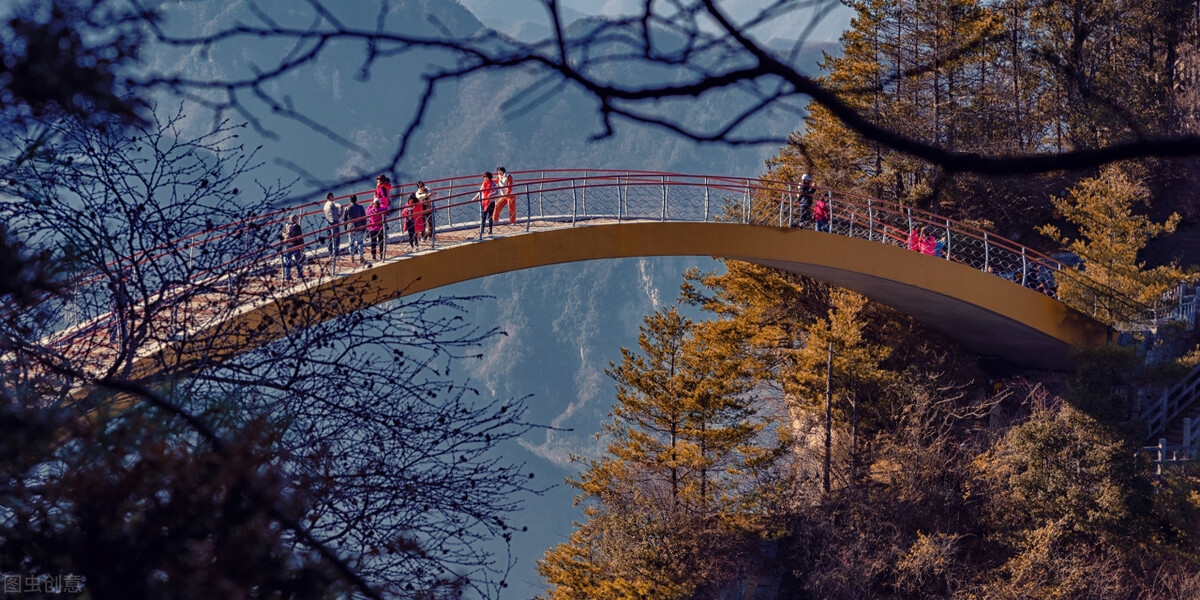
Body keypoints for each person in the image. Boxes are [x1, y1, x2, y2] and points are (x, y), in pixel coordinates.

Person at [282, 214, 307, 280]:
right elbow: (299, 237)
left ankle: (287, 275)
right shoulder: (297, 226)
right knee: (299, 260)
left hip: (287, 245)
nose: (298, 220)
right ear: (295, 219)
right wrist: (302, 245)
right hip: (294, 245)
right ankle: (300, 274)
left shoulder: (286, 225)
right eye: (297, 219)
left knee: (288, 260)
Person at [342, 194, 367, 263]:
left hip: (350, 228)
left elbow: (345, 219)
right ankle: (361, 257)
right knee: (360, 243)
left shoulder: (347, 208)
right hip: (359, 226)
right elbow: (364, 218)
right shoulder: (361, 207)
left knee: (351, 243)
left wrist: (345, 228)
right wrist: (365, 226)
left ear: (350, 200)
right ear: (356, 199)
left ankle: (352, 257)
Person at [375, 174, 392, 255]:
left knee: (381, 221)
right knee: (383, 220)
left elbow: (384, 196)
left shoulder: (381, 188)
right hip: (384, 206)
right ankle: (384, 234)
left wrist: (378, 201)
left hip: (381, 207)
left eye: (378, 180)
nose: (377, 181)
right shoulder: (384, 186)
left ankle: (383, 235)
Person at [366, 197, 386, 262]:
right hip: (380, 228)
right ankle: (381, 256)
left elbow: (367, 211)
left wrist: (370, 205)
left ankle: (374, 257)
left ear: (374, 204)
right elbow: (385, 208)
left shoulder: (371, 210)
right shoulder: (382, 209)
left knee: (373, 243)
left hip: (372, 229)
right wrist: (381, 203)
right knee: (381, 242)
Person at [477, 171, 496, 236]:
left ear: (489, 177)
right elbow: (480, 191)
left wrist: (491, 194)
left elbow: (496, 192)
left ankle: (490, 230)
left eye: (486, 177)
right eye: (484, 177)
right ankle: (482, 230)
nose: (485, 179)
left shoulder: (493, 184)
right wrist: (476, 197)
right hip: (484, 202)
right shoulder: (484, 184)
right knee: (483, 216)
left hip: (491, 202)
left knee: (490, 217)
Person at [323, 192, 341, 259]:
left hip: (327, 222)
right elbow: (341, 206)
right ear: (330, 197)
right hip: (334, 221)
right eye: (333, 196)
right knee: (336, 238)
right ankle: (336, 254)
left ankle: (330, 254)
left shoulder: (325, 205)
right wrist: (340, 215)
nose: (334, 198)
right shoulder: (332, 203)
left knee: (329, 238)